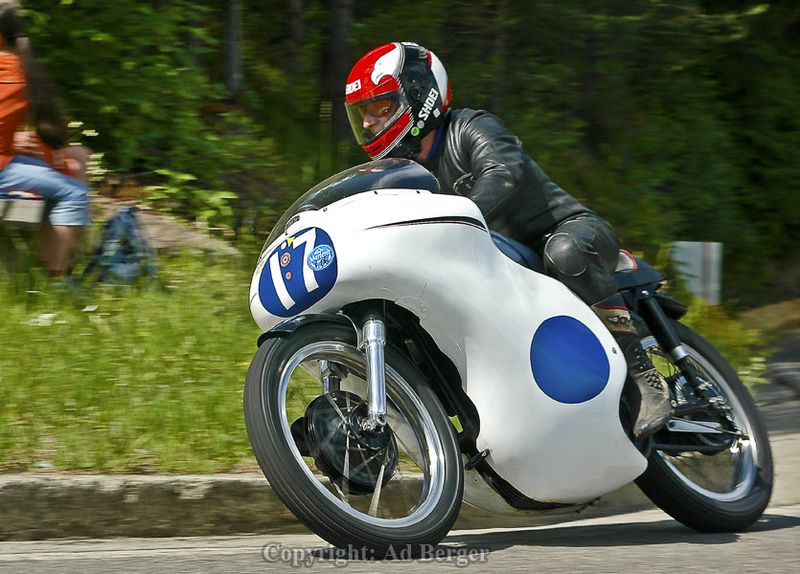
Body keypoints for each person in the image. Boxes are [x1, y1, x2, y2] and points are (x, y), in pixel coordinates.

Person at [344, 41, 672, 439]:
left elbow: (502, 173)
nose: (367, 124)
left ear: (418, 95)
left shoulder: (471, 126)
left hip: (565, 232)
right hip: (505, 266)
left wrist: (454, 217)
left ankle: (643, 376)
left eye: (379, 108)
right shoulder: (403, 175)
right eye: (363, 114)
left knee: (564, 252)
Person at [0, 1, 90, 278]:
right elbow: (46, 119)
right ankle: (59, 279)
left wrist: (14, 141)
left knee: (76, 158)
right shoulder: (15, 68)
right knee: (74, 191)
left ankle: (64, 261)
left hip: (7, 157)